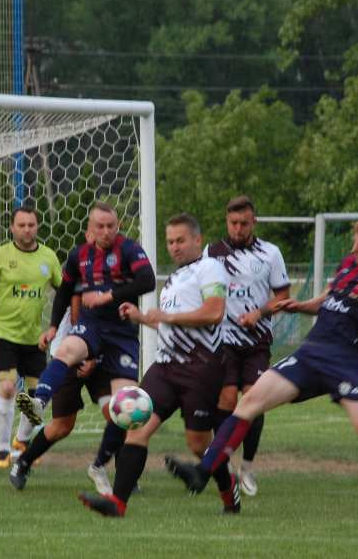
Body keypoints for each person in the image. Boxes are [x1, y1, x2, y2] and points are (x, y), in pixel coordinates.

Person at [165, 201, 358, 520]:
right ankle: (202, 473)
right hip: (310, 353)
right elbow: (330, 300)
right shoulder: (349, 264)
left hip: (344, 361)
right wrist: (300, 306)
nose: (356, 250)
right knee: (248, 404)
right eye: (354, 244)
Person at [79, 213, 239, 518]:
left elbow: (214, 312)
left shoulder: (210, 268)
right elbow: (173, 326)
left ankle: (228, 492)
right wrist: (142, 318)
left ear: (197, 240)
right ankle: (118, 503)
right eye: (170, 242)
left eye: (180, 240)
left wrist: (164, 316)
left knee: (197, 444)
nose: (174, 247)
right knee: (135, 428)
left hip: (201, 368)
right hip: (165, 367)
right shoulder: (176, 279)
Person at [10, 202, 156, 487]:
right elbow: (64, 294)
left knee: (124, 409)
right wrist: (53, 328)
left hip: (118, 340)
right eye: (98, 227)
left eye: (110, 226)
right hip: (86, 337)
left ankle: (103, 466)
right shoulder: (79, 258)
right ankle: (26, 448)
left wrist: (108, 297)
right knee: (62, 424)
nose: (104, 232)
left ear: (118, 226)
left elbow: (147, 279)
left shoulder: (128, 250)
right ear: (89, 230)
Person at [0, 206, 62, 469]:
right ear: (12, 228)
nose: (27, 229)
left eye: (31, 224)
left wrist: (58, 325)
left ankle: (22, 440)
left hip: (34, 338)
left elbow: (63, 291)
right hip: (4, 333)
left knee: (38, 397)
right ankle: (3, 449)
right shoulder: (0, 255)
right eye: (21, 225)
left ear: (37, 226)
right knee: (7, 387)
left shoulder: (48, 258)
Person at [204, 196, 291, 496]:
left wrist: (259, 313)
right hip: (223, 339)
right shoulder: (212, 252)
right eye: (233, 223)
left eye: (244, 223)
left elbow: (283, 296)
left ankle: (248, 467)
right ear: (226, 221)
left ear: (254, 222)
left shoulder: (270, 253)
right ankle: (224, 462)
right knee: (226, 400)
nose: (238, 228)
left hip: (256, 342)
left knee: (253, 400)